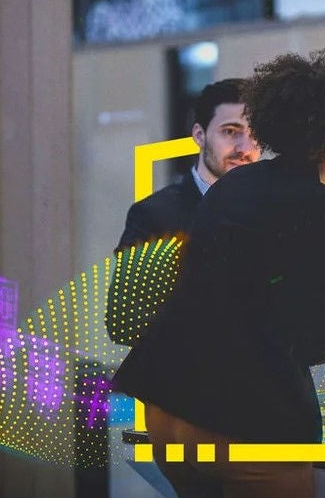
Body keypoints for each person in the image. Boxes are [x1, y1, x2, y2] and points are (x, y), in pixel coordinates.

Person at [111, 48, 325, 498]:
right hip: (245, 423)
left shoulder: (235, 187)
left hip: (168, 412)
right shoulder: (322, 208)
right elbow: (312, 340)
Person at [107, 78, 261, 347]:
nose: (244, 148)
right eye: (230, 131)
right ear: (199, 135)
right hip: (186, 384)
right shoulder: (154, 214)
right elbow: (123, 322)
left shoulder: (272, 212)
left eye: (255, 134)